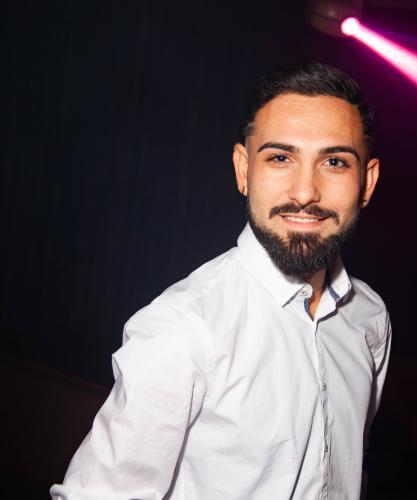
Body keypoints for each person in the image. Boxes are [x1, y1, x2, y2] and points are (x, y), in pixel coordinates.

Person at [50, 62, 391, 500]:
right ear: (243, 170)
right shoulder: (182, 328)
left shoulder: (370, 318)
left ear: (368, 181)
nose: (305, 192)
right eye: (280, 158)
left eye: (335, 162)